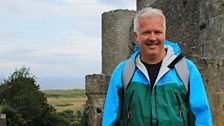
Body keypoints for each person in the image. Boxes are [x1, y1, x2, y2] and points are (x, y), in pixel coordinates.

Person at [102, 7, 212, 126]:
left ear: (164, 35)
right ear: (136, 36)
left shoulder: (187, 70)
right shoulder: (123, 72)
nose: (153, 38)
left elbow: (202, 117)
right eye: (146, 32)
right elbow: (110, 120)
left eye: (157, 32)